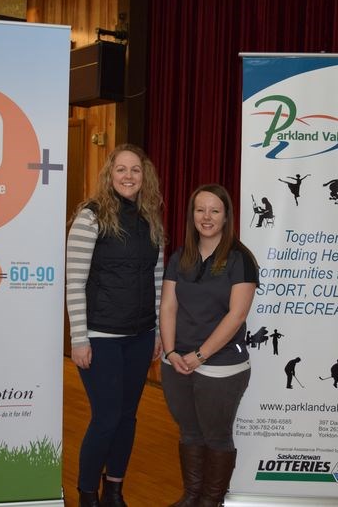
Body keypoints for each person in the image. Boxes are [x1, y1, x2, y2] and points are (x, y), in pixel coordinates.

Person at [65, 143, 165, 507]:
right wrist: (80, 338)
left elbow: (158, 278)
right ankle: (87, 493)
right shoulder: (90, 217)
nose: (128, 176)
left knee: (127, 417)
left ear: (144, 176)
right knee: (106, 418)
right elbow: (74, 281)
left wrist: (155, 331)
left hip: (139, 337)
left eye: (135, 170)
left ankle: (115, 492)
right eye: (120, 169)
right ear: (109, 175)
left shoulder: (150, 219)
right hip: (101, 336)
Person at [160, 183, 259, 507]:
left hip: (221, 364)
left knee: (216, 435)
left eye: (214, 210)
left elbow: (236, 315)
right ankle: (192, 495)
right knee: (189, 431)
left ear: (226, 216)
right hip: (177, 362)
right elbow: (169, 307)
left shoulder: (240, 259)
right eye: (200, 209)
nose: (206, 216)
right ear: (192, 215)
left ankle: (211, 500)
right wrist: (172, 351)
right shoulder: (180, 256)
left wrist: (200, 355)